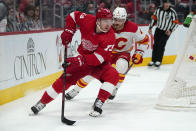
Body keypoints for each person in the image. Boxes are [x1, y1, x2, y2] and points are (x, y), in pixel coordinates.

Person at [30, 8, 119, 117]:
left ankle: (99, 102)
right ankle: (42, 102)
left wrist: (79, 60)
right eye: (105, 21)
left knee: (113, 75)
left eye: (110, 21)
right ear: (97, 20)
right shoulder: (87, 20)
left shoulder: (110, 36)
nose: (108, 24)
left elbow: (98, 59)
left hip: (99, 65)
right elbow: (73, 15)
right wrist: (69, 30)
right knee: (64, 80)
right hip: (82, 60)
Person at [64, 7, 149, 101]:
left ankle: (115, 88)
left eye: (121, 20)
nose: (117, 23)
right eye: (116, 19)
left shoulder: (133, 27)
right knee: (90, 73)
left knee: (122, 65)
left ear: (125, 20)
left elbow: (144, 41)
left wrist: (139, 53)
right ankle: (76, 90)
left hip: (122, 53)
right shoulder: (105, 26)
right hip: (105, 53)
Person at [148, 0, 178, 69]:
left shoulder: (172, 12)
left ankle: (158, 60)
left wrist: (170, 30)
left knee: (161, 45)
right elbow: (154, 19)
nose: (167, 4)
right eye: (166, 3)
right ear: (163, 3)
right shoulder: (158, 9)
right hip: (158, 30)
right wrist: (150, 27)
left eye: (168, 3)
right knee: (155, 45)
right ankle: (153, 60)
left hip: (166, 31)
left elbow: (175, 22)